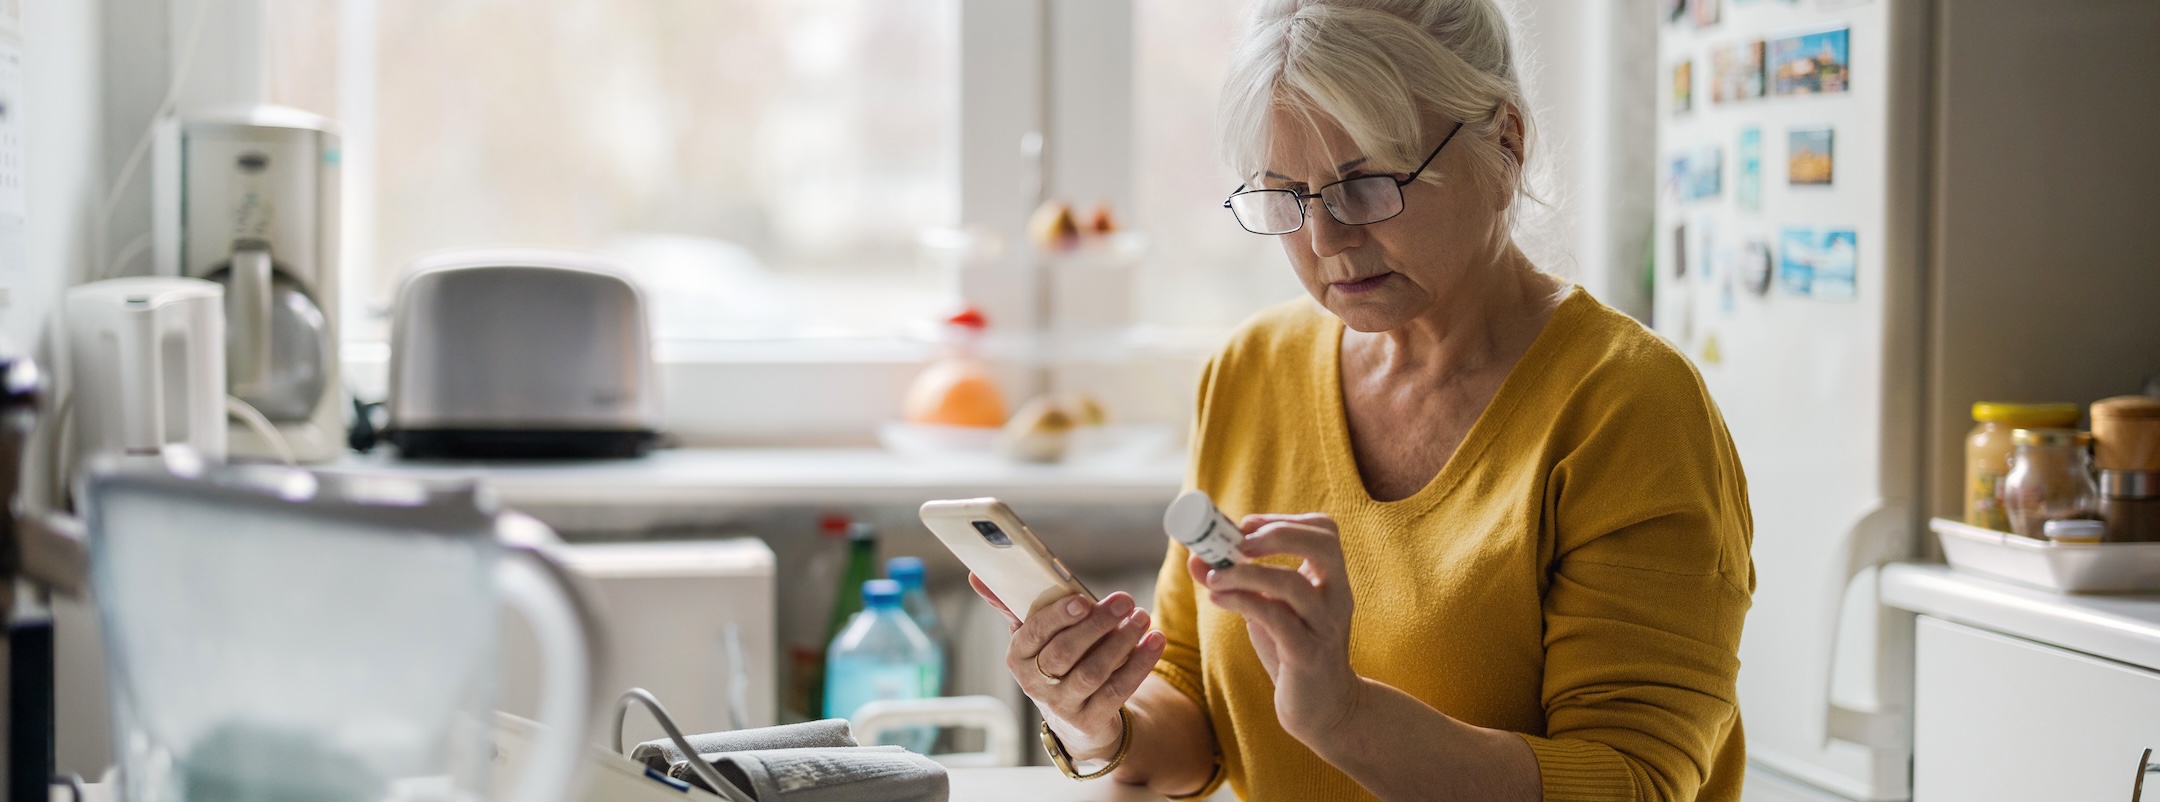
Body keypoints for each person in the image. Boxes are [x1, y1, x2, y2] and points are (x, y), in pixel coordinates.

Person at [968, 1, 1754, 800]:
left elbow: (1638, 783)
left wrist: (1346, 718)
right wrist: (1094, 718)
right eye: (1284, 197)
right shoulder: (1250, 369)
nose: (1326, 242)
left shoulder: (1628, 405)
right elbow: (1198, 715)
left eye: (1368, 185)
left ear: (1507, 144)